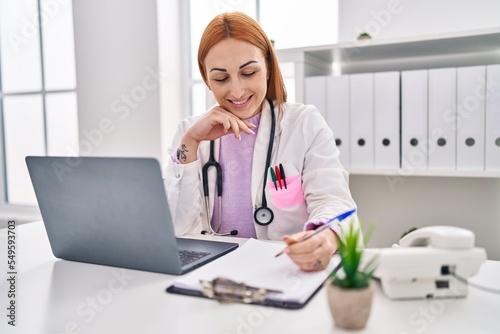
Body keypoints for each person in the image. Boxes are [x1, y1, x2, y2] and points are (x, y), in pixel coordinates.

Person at [166, 11, 358, 272]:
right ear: (206, 78)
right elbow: (177, 229)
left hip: (281, 271)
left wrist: (323, 235)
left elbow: (334, 202)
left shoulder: (303, 123)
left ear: (267, 67)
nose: (236, 91)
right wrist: (192, 141)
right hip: (212, 275)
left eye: (248, 72)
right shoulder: (189, 132)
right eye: (221, 78)